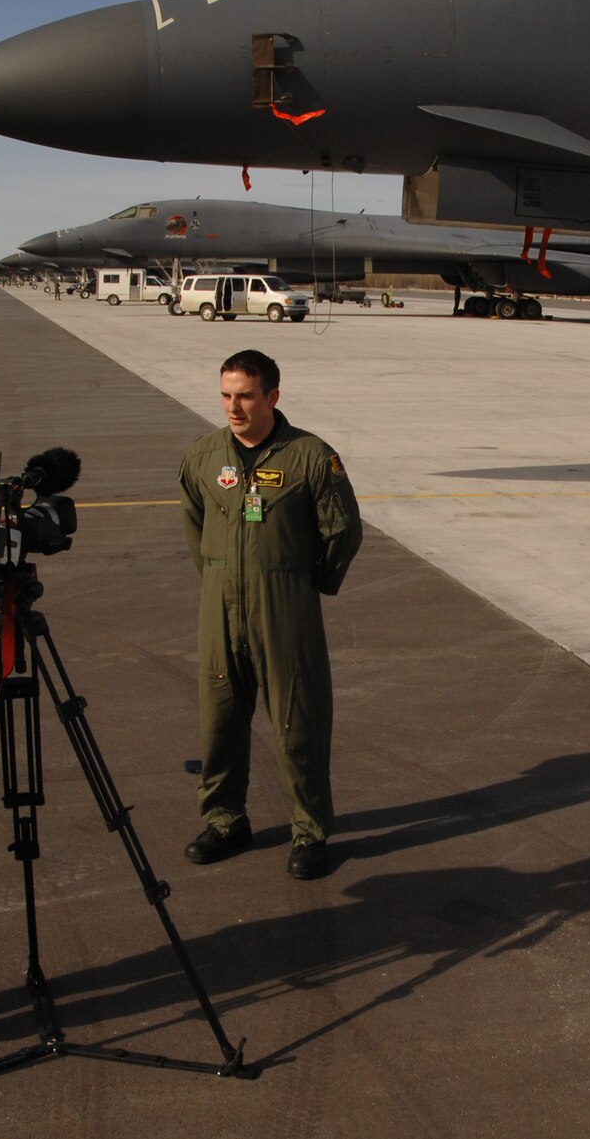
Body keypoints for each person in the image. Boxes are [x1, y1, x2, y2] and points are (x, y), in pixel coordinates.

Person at [179, 349, 363, 880]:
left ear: (272, 397)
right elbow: (195, 523)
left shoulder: (309, 456)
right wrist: (216, 574)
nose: (233, 407)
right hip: (220, 604)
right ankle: (224, 821)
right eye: (226, 395)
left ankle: (310, 830)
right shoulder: (203, 456)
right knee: (218, 718)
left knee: (297, 722)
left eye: (245, 396)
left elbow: (343, 530)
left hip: (284, 605)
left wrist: (306, 584)